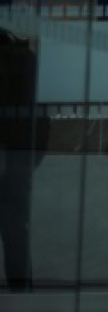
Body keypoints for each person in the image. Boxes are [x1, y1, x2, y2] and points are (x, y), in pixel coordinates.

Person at [0, 29, 47, 291]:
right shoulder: (26, 59)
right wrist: (32, 157)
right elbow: (42, 114)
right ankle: (21, 292)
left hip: (18, 154)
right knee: (16, 231)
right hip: (18, 156)